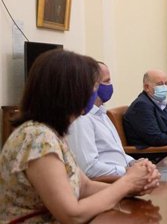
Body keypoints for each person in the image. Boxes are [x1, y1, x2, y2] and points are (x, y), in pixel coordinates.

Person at [0, 49, 159, 223]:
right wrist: (127, 183)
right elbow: (72, 214)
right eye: (91, 86)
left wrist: (133, 187)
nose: (94, 92)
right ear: (67, 91)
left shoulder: (50, 133)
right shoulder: (37, 137)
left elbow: (84, 186)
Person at [67, 61, 151, 182]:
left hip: (122, 177)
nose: (110, 85)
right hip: (107, 184)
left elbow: (116, 152)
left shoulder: (101, 113)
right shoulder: (82, 118)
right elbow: (89, 168)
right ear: (92, 86)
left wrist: (134, 162)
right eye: (106, 81)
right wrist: (127, 171)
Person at [123, 69, 167, 149]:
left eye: (166, 84)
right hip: (154, 154)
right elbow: (155, 138)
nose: (164, 87)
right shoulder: (141, 105)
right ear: (146, 87)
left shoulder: (161, 103)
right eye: (160, 84)